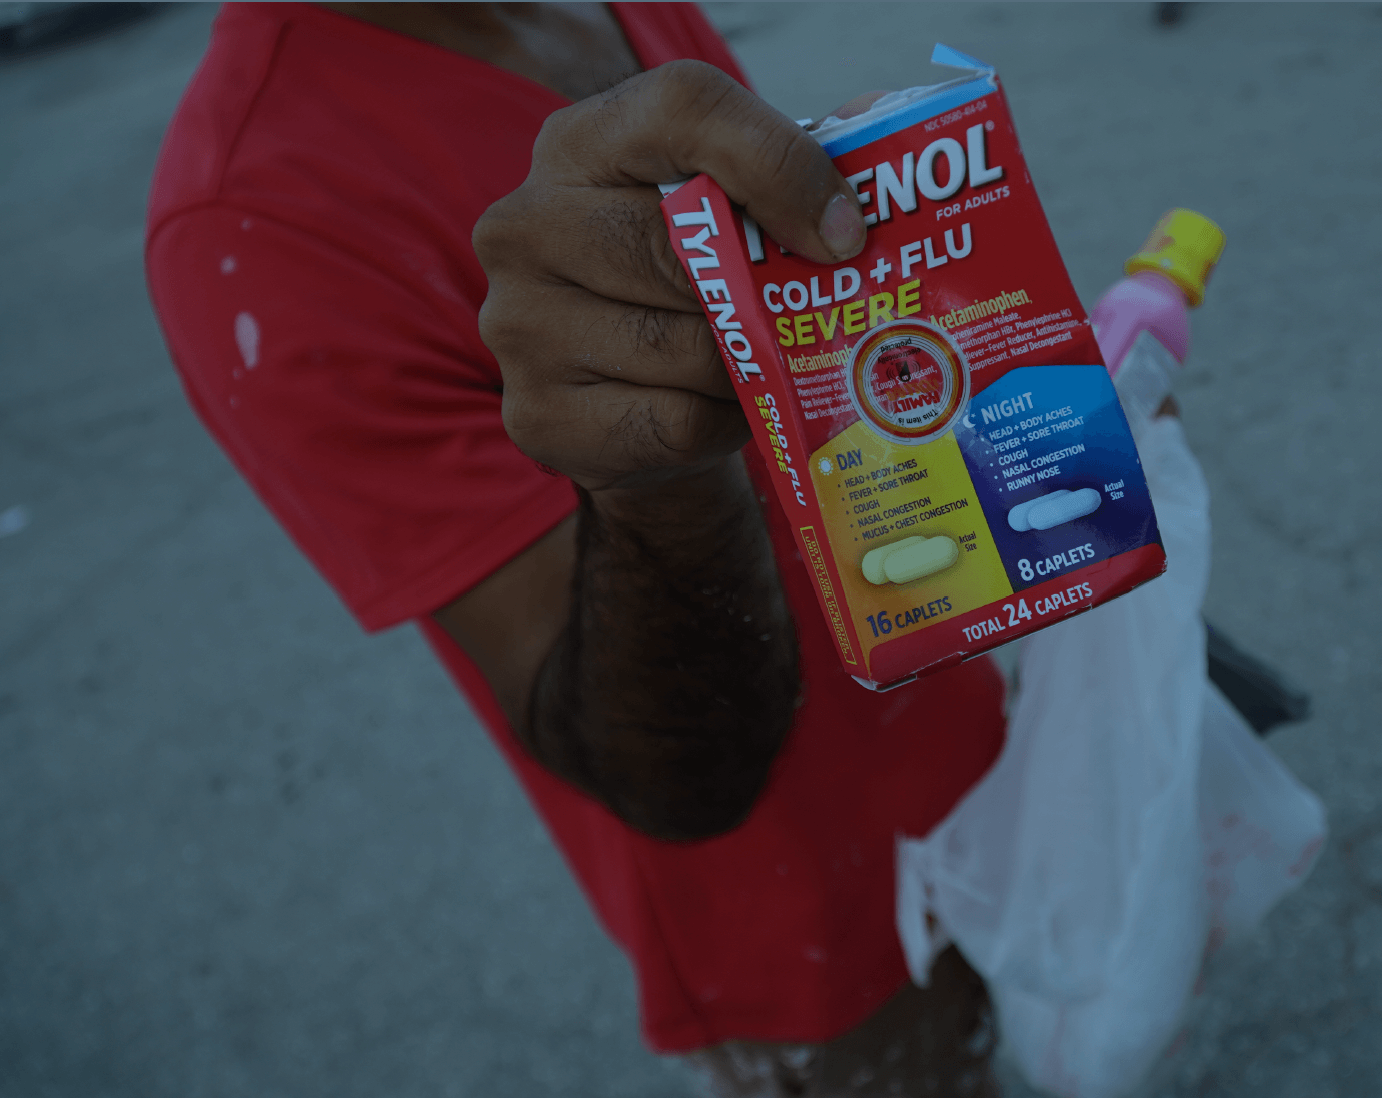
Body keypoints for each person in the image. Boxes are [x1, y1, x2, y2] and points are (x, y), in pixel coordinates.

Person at [146, 4, 1009, 1094]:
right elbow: (656, 765)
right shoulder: (252, 211)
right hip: (799, 907)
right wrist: (658, 482)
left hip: (961, 730)